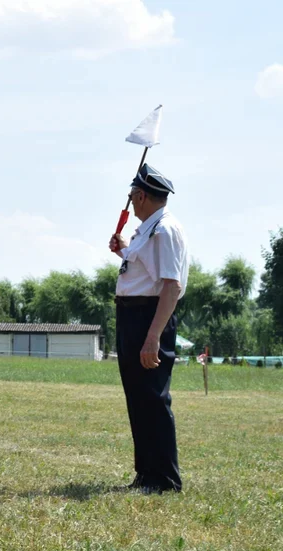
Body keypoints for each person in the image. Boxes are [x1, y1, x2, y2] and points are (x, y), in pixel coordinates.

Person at [109, 164, 189, 494]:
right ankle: (145, 475)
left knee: (154, 399)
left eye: (131, 195)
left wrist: (153, 336)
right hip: (132, 316)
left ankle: (165, 480)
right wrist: (124, 250)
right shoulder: (147, 230)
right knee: (138, 399)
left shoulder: (165, 230)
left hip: (148, 318)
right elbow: (147, 270)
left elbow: (171, 285)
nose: (130, 201)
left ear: (141, 195)